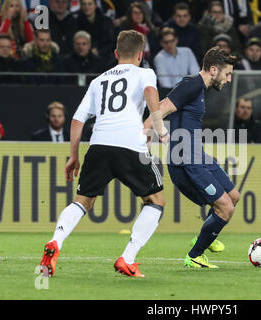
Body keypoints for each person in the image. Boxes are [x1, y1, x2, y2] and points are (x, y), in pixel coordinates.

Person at [39, 30, 167, 278]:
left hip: (98, 145)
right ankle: (127, 259)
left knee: (82, 200)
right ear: (140, 55)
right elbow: (151, 93)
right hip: (130, 144)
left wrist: (73, 156)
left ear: (116, 53)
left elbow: (77, 119)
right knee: (156, 200)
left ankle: (56, 242)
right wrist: (160, 126)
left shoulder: (98, 81)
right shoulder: (144, 72)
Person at [144, 47, 240, 268]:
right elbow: (160, 108)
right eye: (227, 74)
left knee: (233, 196)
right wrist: (146, 135)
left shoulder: (200, 89)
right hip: (186, 161)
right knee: (225, 208)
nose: (228, 80)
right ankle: (195, 255)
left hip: (198, 156)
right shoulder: (192, 85)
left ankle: (203, 239)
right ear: (214, 70)